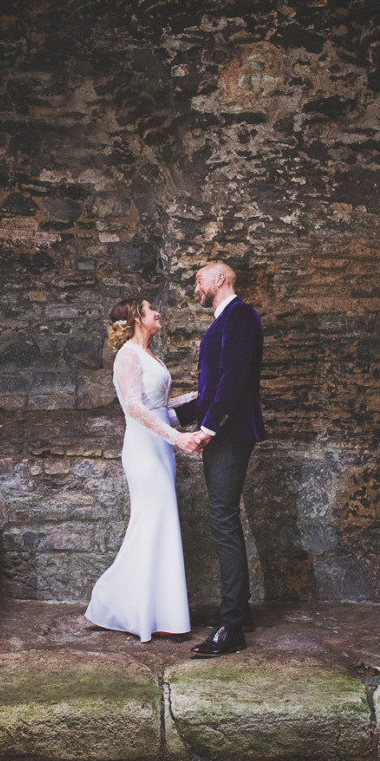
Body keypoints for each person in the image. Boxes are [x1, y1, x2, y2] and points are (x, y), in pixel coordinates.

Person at [84, 297, 200, 642]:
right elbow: (134, 408)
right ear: (136, 319)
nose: (157, 313)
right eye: (150, 309)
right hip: (143, 451)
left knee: (159, 525)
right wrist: (178, 438)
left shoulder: (150, 355)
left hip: (160, 448)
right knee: (151, 522)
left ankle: (160, 613)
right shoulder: (127, 357)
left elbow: (160, 408)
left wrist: (196, 398)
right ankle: (110, 601)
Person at [172, 262, 265, 658]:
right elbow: (211, 390)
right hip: (222, 431)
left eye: (200, 279)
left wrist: (208, 429)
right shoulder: (221, 321)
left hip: (231, 434)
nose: (196, 286)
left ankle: (231, 628)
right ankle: (239, 611)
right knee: (223, 518)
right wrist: (170, 414)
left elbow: (233, 380)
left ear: (220, 279)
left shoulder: (240, 315)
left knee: (222, 519)